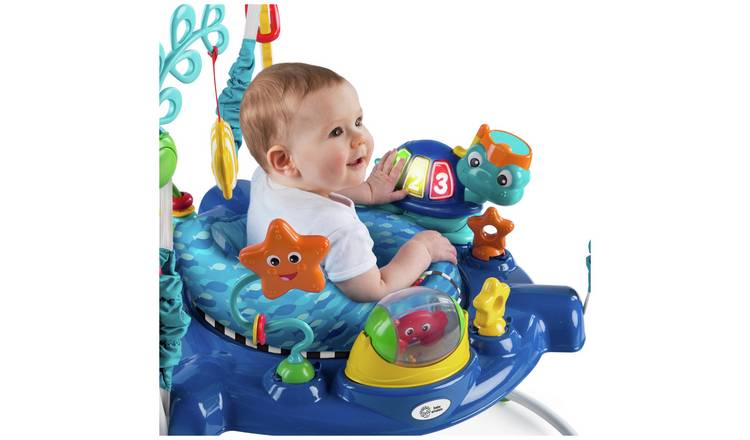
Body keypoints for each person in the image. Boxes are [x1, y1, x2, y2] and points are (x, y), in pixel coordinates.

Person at [240, 63, 456, 302]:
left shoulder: (264, 177)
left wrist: (368, 192)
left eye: (358, 121)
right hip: (318, 314)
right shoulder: (340, 229)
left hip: (267, 289)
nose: (359, 138)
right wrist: (421, 249)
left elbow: (308, 191)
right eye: (336, 132)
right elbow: (375, 289)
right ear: (284, 159)